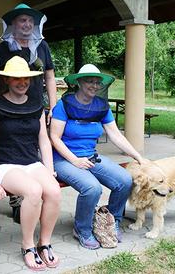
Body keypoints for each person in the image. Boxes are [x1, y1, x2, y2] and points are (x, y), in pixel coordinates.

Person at [49, 64, 145, 250]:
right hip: (64, 159)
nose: (94, 85)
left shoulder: (101, 107)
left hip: (91, 157)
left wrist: (137, 156)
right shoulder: (64, 105)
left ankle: (111, 221)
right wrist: (75, 160)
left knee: (124, 180)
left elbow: (116, 135)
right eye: (89, 81)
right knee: (92, 188)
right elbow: (54, 137)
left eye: (96, 82)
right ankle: (82, 229)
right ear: (79, 82)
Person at [0, 56, 61, 270]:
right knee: (34, 191)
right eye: (16, 78)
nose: (22, 82)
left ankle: (44, 242)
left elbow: (44, 141)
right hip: (6, 165)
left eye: (25, 78)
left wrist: (50, 169)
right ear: (7, 80)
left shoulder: (36, 105)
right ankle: (27, 245)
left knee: (54, 191)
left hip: (31, 163)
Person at [0, 3, 57, 124]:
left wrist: (53, 108)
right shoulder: (3, 48)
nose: (27, 24)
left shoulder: (42, 46)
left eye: (30, 21)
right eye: (23, 20)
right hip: (8, 109)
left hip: (36, 107)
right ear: (13, 24)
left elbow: (50, 77)